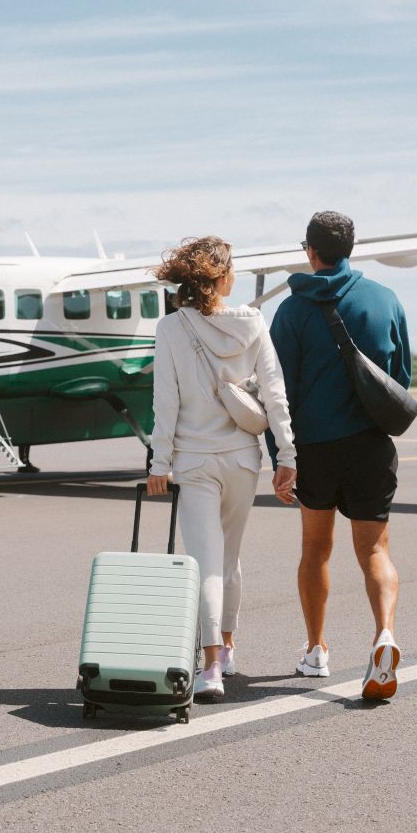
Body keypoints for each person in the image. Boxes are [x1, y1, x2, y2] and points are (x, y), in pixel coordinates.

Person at [268, 211, 410, 701]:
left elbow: (278, 392)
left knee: (315, 549)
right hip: (371, 445)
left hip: (314, 449)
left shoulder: (290, 311)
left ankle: (316, 650)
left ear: (310, 250)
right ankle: (385, 634)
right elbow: (399, 378)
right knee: (375, 551)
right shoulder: (385, 299)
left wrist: (280, 456)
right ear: (351, 246)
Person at [147, 236, 296, 699]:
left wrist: (160, 461)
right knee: (229, 559)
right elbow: (274, 394)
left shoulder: (171, 328)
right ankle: (227, 648)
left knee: (205, 563)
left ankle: (210, 667)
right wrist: (286, 456)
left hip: (193, 462)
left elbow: (165, 403)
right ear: (224, 278)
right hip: (242, 460)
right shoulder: (252, 322)